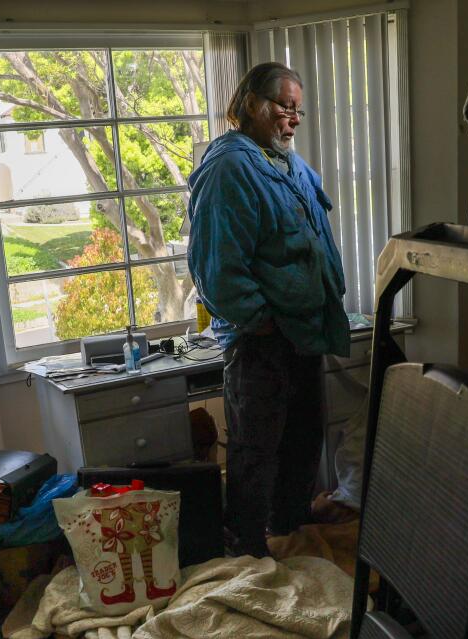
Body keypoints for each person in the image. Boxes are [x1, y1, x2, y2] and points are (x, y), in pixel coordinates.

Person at [187, 62, 351, 558]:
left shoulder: (287, 163)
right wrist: (261, 322)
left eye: (299, 109)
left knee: (302, 440)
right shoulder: (229, 168)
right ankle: (249, 548)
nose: (294, 118)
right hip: (262, 340)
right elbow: (217, 269)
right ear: (251, 105)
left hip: (303, 334)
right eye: (285, 107)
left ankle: (290, 529)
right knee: (256, 449)